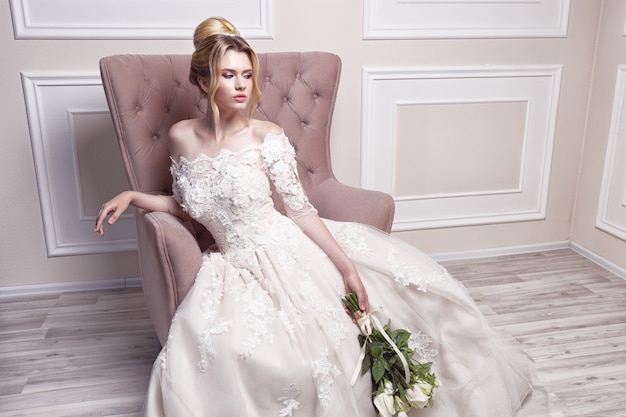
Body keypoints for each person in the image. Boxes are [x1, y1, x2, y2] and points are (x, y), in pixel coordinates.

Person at [95, 17, 548, 417]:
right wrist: (134, 195)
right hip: (231, 266)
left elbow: (302, 213)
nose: (241, 86)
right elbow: (188, 209)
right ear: (202, 81)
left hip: (288, 250)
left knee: (341, 345)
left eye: (248, 75)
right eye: (228, 75)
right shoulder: (180, 137)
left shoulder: (266, 136)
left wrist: (346, 267)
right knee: (227, 350)